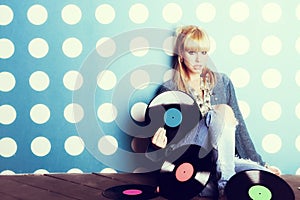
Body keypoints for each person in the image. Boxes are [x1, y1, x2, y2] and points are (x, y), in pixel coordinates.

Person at [150, 25, 281, 198]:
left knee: (263, 176)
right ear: (181, 54)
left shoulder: (222, 82)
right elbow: (163, 144)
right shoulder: (169, 90)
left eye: (203, 53)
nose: (199, 60)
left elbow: (239, 129)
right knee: (223, 111)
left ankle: (210, 185)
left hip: (222, 159)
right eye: (192, 52)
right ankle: (224, 185)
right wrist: (156, 146)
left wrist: (260, 163)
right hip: (191, 160)